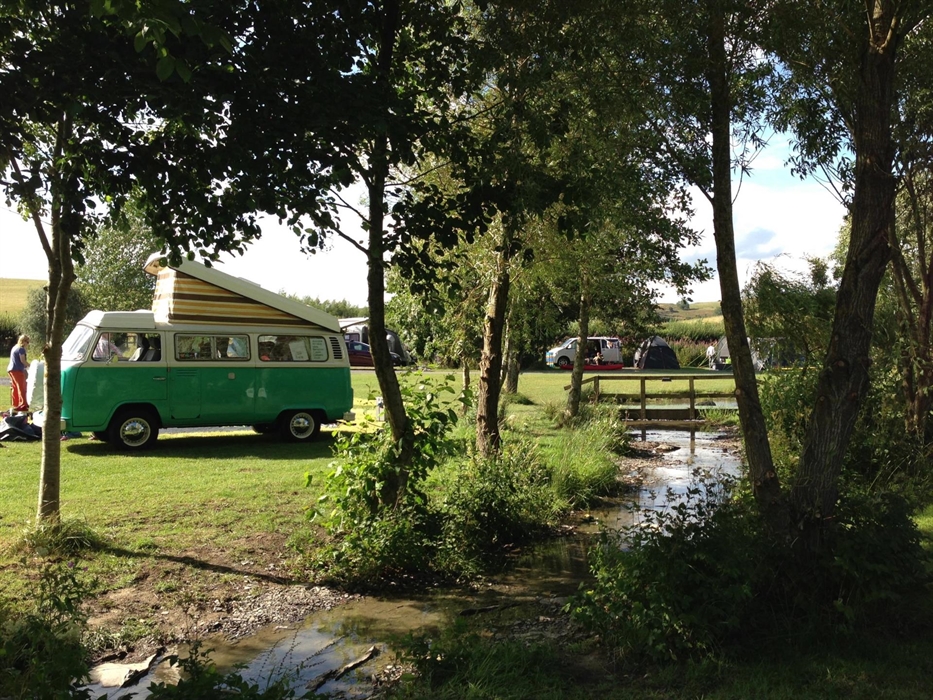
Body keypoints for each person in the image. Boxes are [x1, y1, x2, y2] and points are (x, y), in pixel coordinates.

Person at [7, 334, 30, 413]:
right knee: (22, 387)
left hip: (11, 369)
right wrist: (31, 365)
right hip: (17, 370)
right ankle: (23, 405)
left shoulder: (15, 347)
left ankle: (16, 404)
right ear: (23, 341)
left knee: (15, 387)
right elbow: (23, 361)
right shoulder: (21, 349)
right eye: (27, 341)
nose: (28, 343)